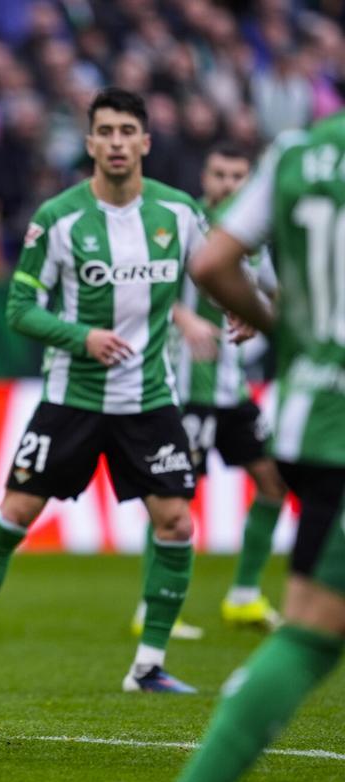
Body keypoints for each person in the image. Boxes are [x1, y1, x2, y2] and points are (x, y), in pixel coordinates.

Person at [0, 88, 204, 693]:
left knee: (175, 522)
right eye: (106, 131)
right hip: (72, 397)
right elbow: (19, 309)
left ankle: (148, 666)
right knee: (15, 516)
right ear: (90, 142)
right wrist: (82, 337)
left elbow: (210, 279)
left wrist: (219, 314)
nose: (117, 142)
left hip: (148, 398)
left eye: (128, 131)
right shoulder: (59, 218)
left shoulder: (179, 214)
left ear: (145, 142)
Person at [165, 118, 345, 782]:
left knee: (311, 629)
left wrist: (293, 337)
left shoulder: (300, 151)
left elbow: (213, 264)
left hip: (313, 416)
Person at [130, 141, 287, 639]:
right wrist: (185, 318)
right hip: (184, 389)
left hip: (232, 389)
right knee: (172, 497)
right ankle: (149, 608)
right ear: (205, 175)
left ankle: (243, 596)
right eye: (220, 174)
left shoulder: (255, 237)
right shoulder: (180, 223)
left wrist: (262, 318)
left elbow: (273, 294)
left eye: (238, 176)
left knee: (273, 483)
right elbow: (143, 289)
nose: (227, 184)